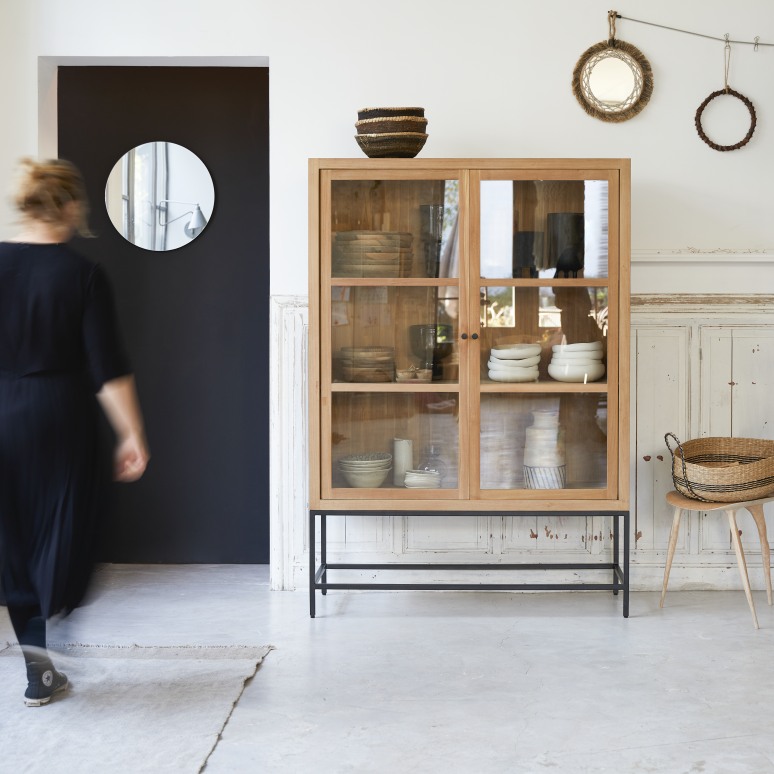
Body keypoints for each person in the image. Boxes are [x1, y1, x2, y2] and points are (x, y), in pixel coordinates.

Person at [0, 157, 149, 706]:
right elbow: (106, 366)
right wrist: (131, 433)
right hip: (59, 413)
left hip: (2, 410)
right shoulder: (81, 273)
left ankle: (38, 667)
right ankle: (55, 624)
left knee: (12, 536)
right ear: (65, 206)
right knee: (62, 527)